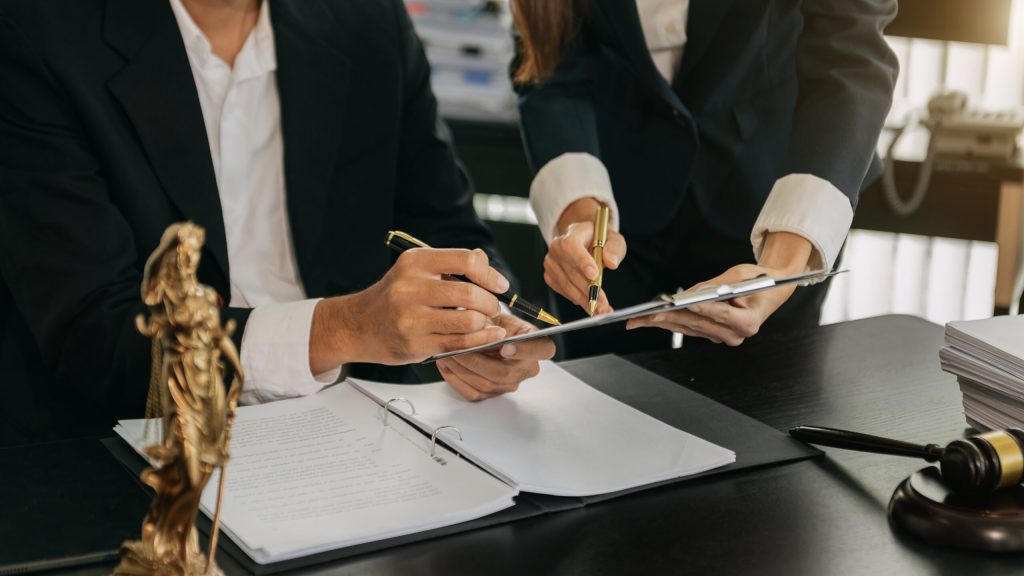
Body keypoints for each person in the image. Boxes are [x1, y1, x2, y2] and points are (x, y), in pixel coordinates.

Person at [0, 0, 554, 447]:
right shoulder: (37, 31)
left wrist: (481, 329)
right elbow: (93, 334)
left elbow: (447, 229)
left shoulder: (367, 19)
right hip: (139, 449)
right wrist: (344, 327)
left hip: (364, 430)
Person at [511, 0, 898, 357]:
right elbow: (548, 58)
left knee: (756, 413)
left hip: (773, 202)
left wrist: (782, 266)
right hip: (609, 196)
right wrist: (578, 213)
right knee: (598, 407)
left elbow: (851, 60)